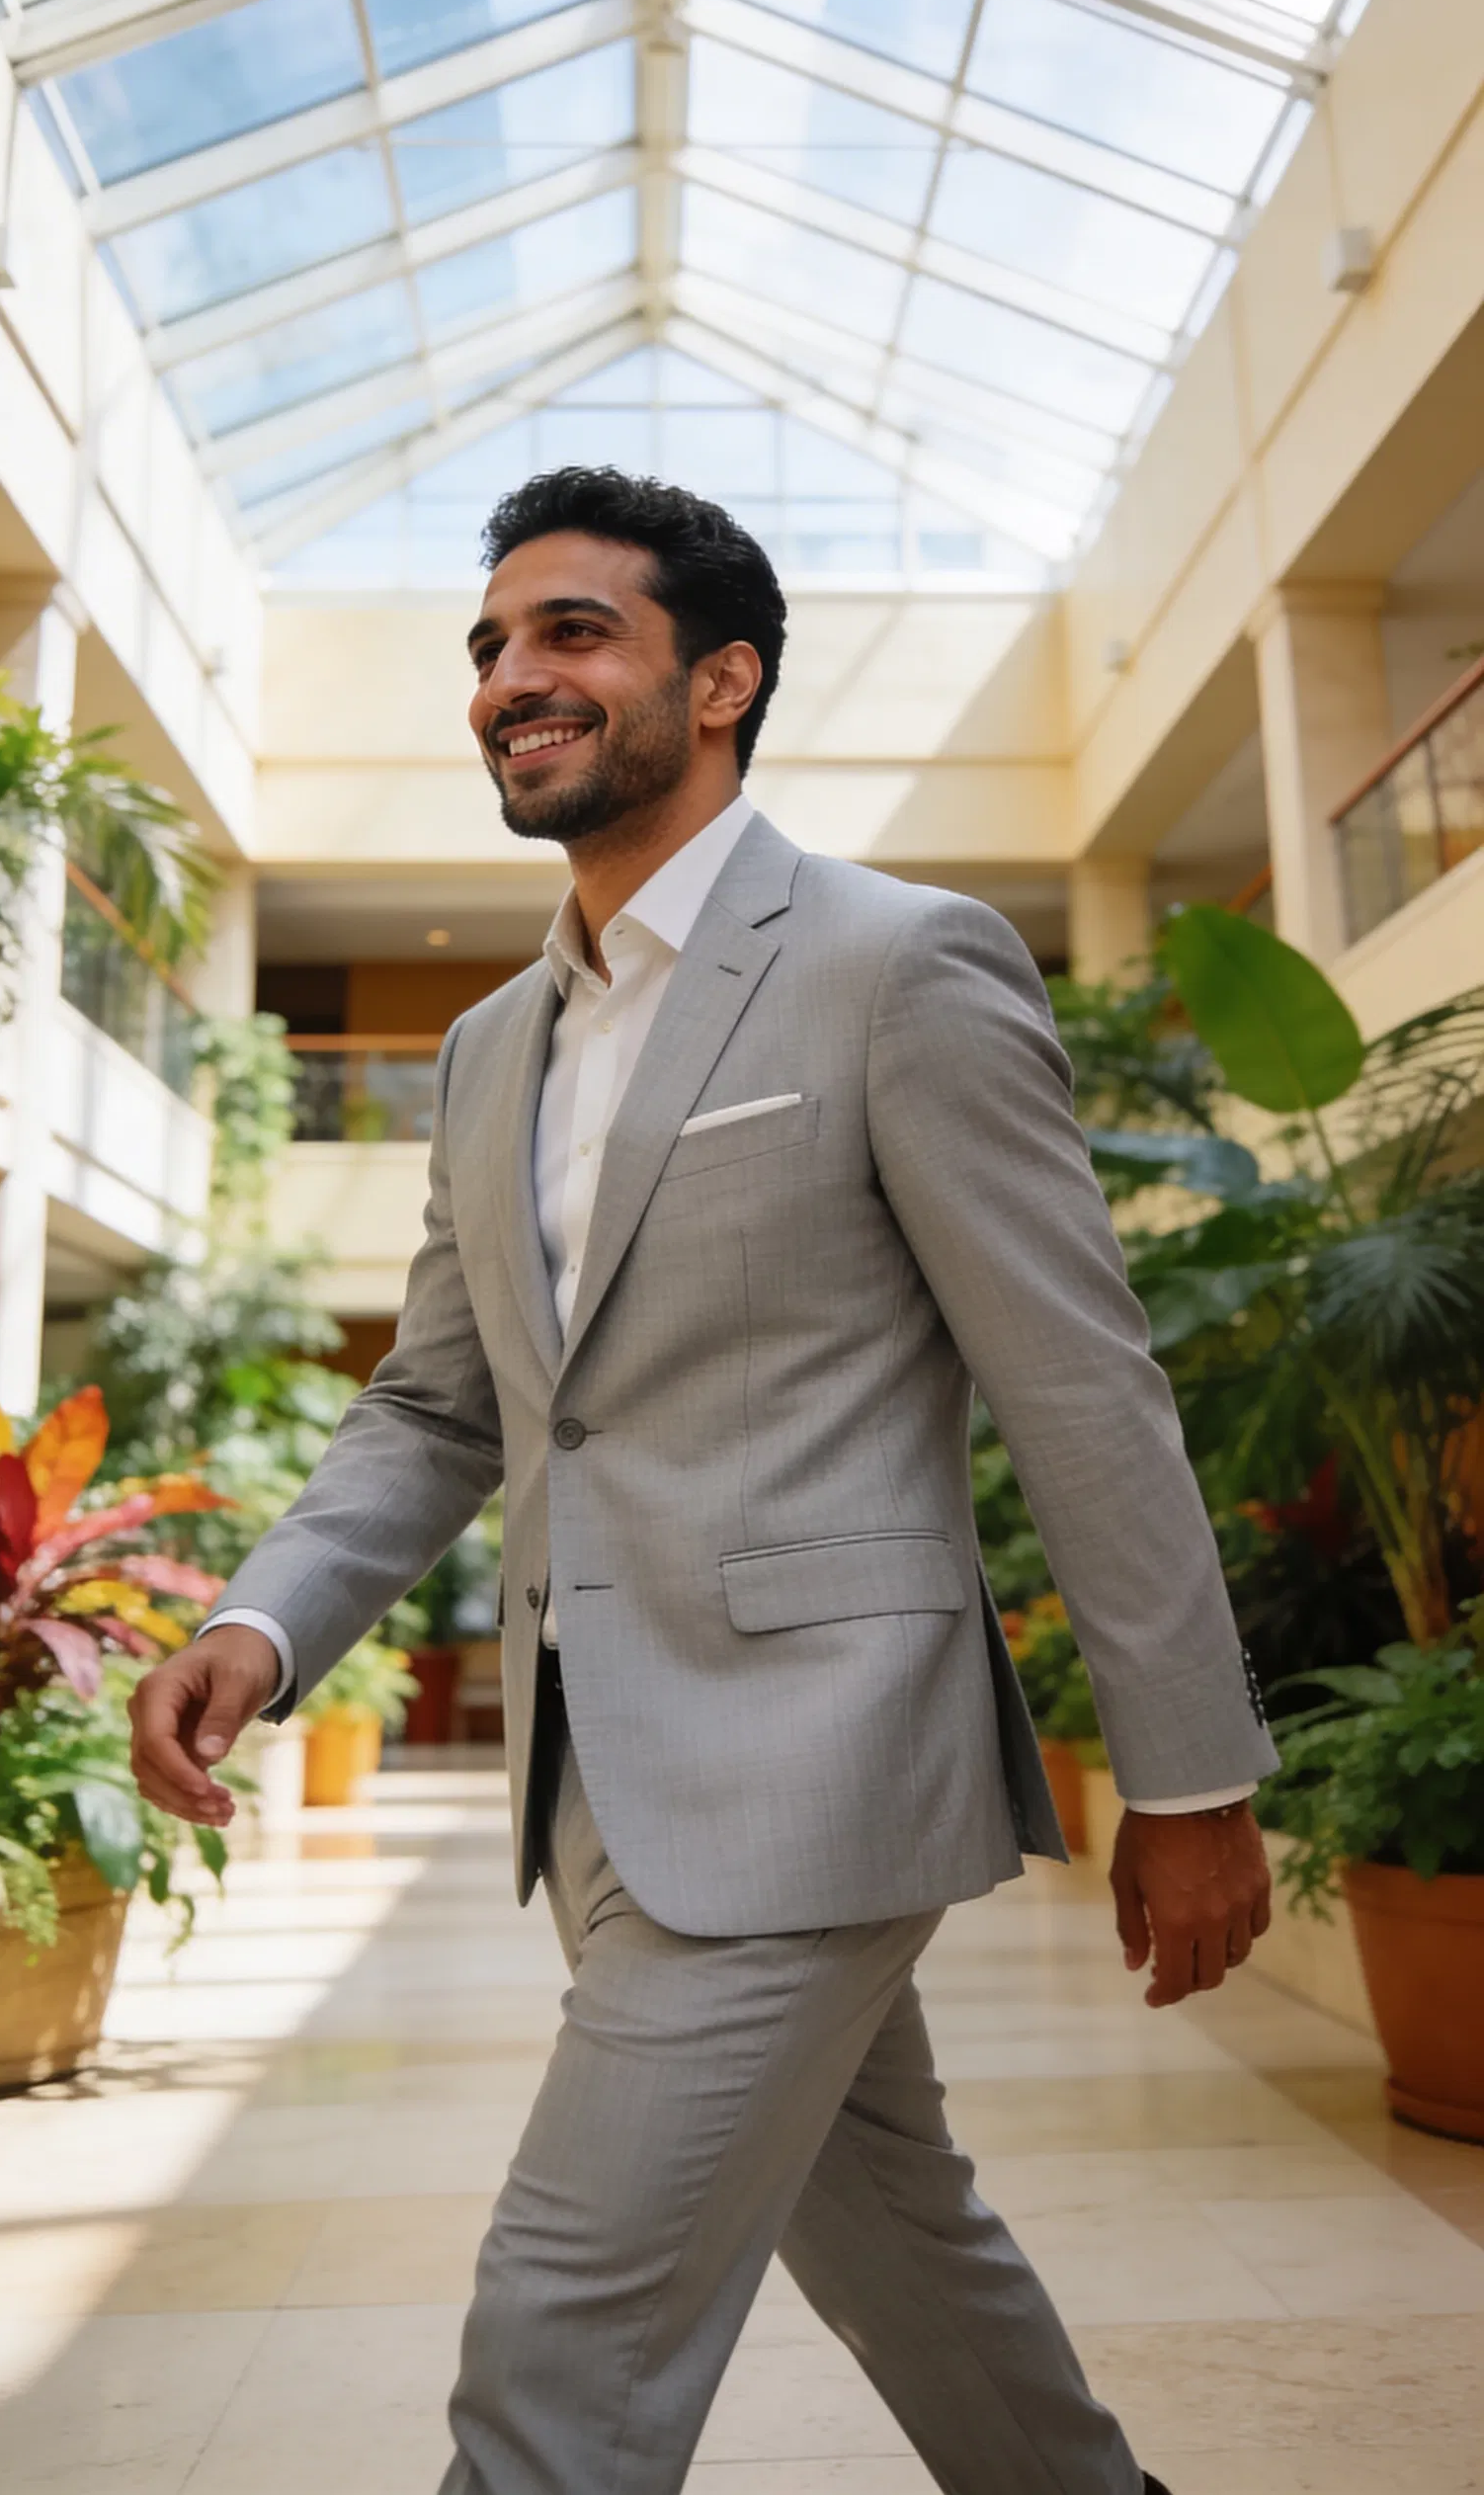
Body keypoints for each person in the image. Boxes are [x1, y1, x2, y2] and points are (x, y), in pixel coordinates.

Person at [131, 466, 1275, 2495]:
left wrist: (1185, 1780)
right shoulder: (491, 1049)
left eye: (570, 632)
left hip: (819, 1754)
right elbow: (443, 1406)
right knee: (900, 2239)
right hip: (600, 1775)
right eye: (488, 646)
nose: (508, 677)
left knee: (557, 2340)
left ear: (719, 678)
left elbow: (1076, 1389)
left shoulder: (894, 962)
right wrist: (260, 1616)